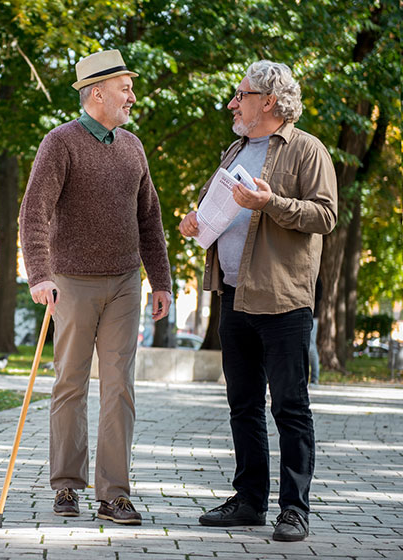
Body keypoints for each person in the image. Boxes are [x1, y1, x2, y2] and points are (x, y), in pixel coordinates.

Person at [179, 60, 336, 542]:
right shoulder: (236, 149)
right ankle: (250, 501)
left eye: (240, 94)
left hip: (283, 300)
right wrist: (195, 222)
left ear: (268, 101)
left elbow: (325, 216)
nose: (232, 102)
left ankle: (295, 509)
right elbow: (218, 209)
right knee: (242, 405)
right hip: (234, 296)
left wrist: (271, 204)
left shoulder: (307, 150)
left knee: (290, 406)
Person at [19, 49, 172, 525]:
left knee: (119, 388)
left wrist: (161, 280)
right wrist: (40, 274)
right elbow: (34, 213)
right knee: (69, 383)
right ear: (97, 92)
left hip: (126, 281)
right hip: (71, 280)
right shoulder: (60, 142)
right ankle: (66, 486)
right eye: (125, 87)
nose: (132, 95)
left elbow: (150, 219)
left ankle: (115, 494)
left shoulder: (133, 147)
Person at [309, 277, 322, 385]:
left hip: (313, 316)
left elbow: (319, 296)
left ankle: (314, 378)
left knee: (311, 347)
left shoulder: (316, 277)